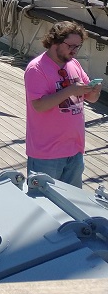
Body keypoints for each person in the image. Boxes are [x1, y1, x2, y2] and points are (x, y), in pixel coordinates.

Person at [24, 21, 100, 187]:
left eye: (77, 46)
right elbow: (39, 106)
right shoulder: (36, 68)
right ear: (55, 42)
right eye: (70, 46)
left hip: (74, 151)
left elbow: (90, 97)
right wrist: (70, 90)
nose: (74, 51)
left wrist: (94, 91)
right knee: (42, 200)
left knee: (71, 199)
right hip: (46, 154)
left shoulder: (74, 64)